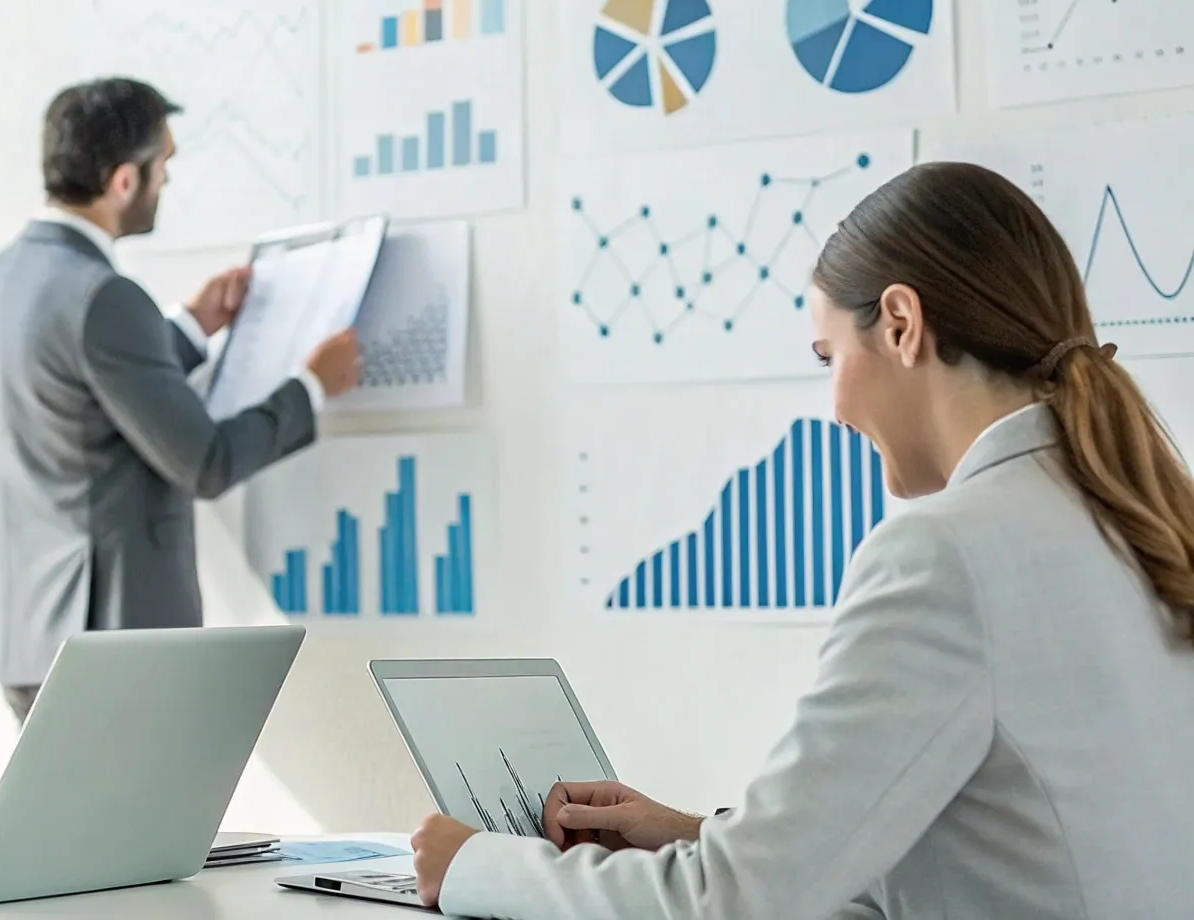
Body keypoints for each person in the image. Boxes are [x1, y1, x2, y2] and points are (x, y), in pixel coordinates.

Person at [410, 162, 1194, 918]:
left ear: (900, 324)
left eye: (830, 359)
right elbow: (1001, 858)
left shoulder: (945, 555)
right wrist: (696, 837)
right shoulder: (1139, 520)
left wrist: (473, 865)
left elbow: (730, 905)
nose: (836, 409)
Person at [0, 78, 361, 722]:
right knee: (138, 826)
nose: (166, 182)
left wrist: (190, 327)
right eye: (163, 165)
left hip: (25, 636)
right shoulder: (104, 296)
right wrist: (312, 386)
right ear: (124, 181)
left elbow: (80, 398)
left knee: (72, 825)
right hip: (116, 643)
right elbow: (208, 461)